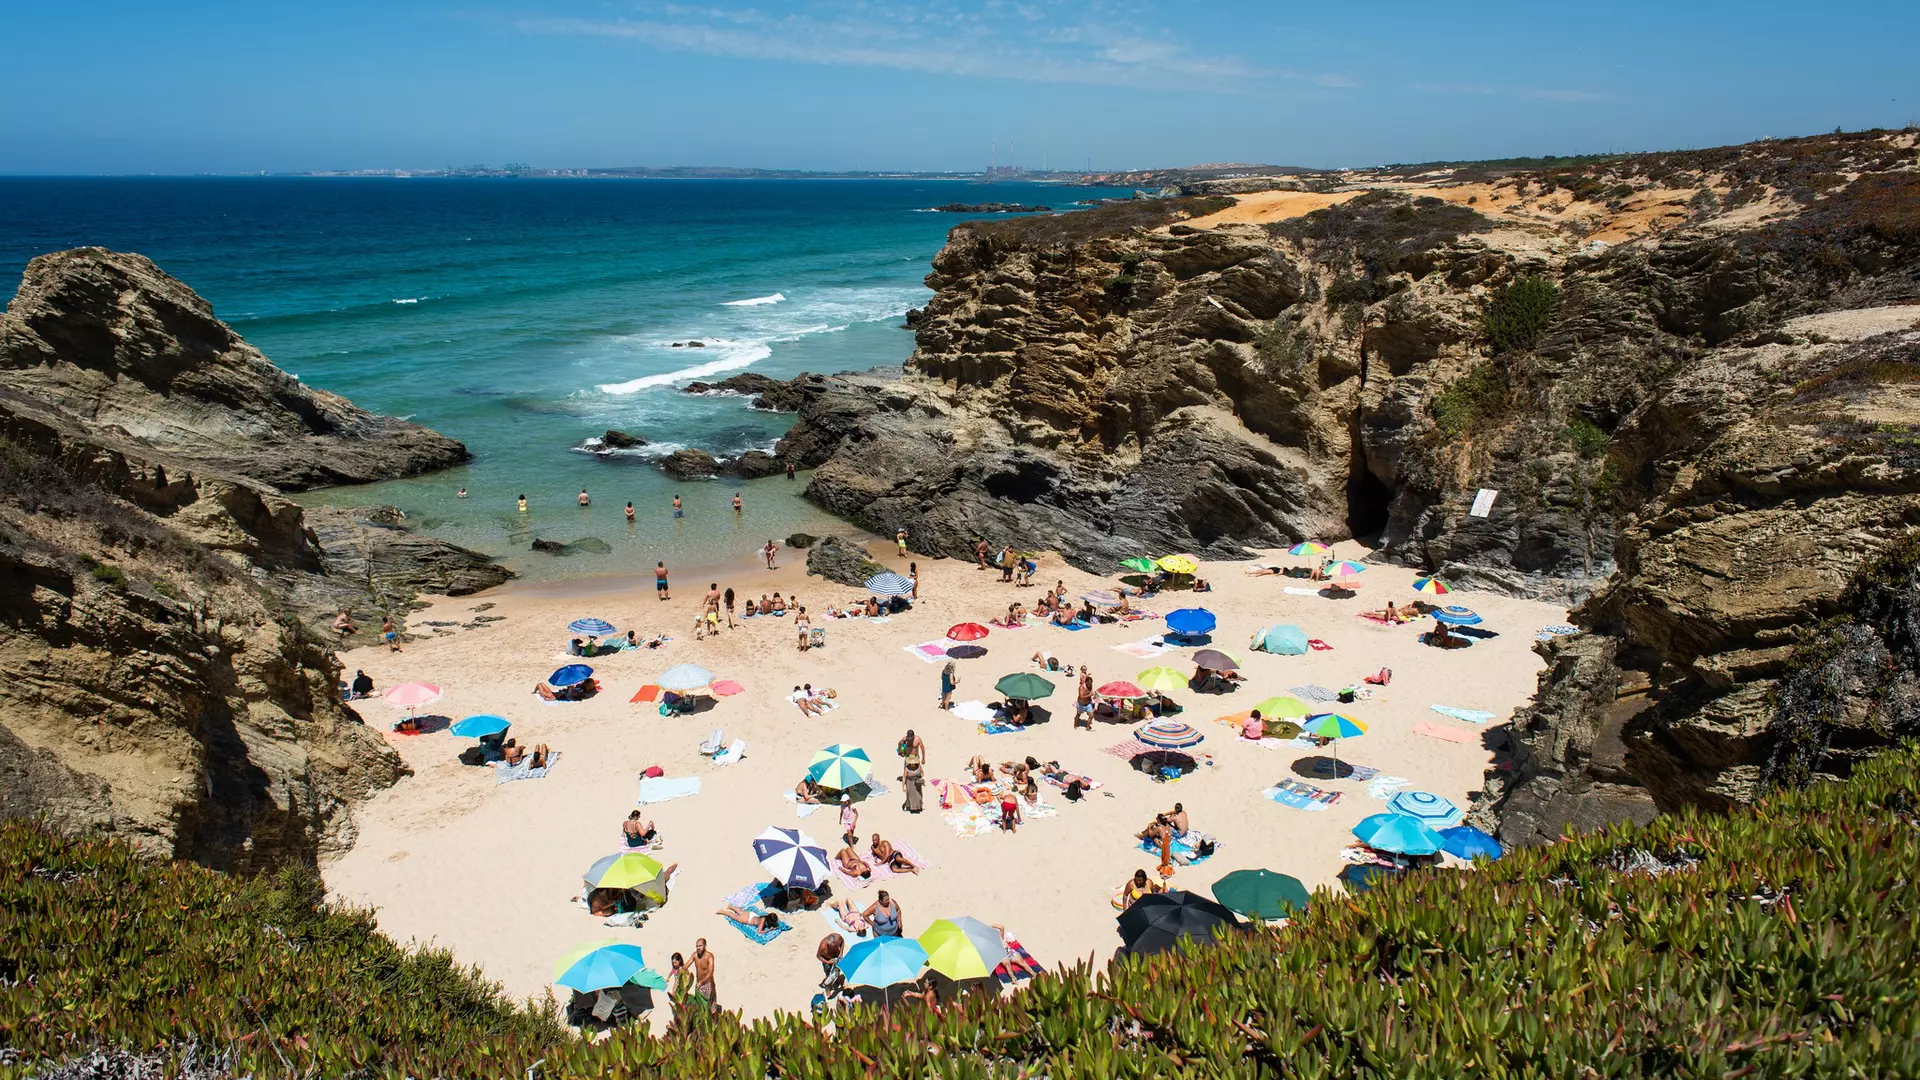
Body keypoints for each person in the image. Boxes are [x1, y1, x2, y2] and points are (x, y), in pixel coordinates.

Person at [718, 904, 782, 934]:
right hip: (748, 919)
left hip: (752, 914)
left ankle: (730, 906)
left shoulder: (765, 916)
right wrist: (770, 930)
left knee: (740, 911)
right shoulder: (762, 921)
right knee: (734, 916)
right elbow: (759, 932)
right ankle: (722, 911)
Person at [690, 939, 716, 1011]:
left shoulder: (709, 956)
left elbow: (711, 972)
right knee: (700, 1008)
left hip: (708, 984)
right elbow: (686, 966)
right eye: (697, 946)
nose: (698, 948)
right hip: (699, 985)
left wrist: (702, 982)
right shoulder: (695, 955)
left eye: (700, 946)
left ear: (705, 946)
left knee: (711, 1009)